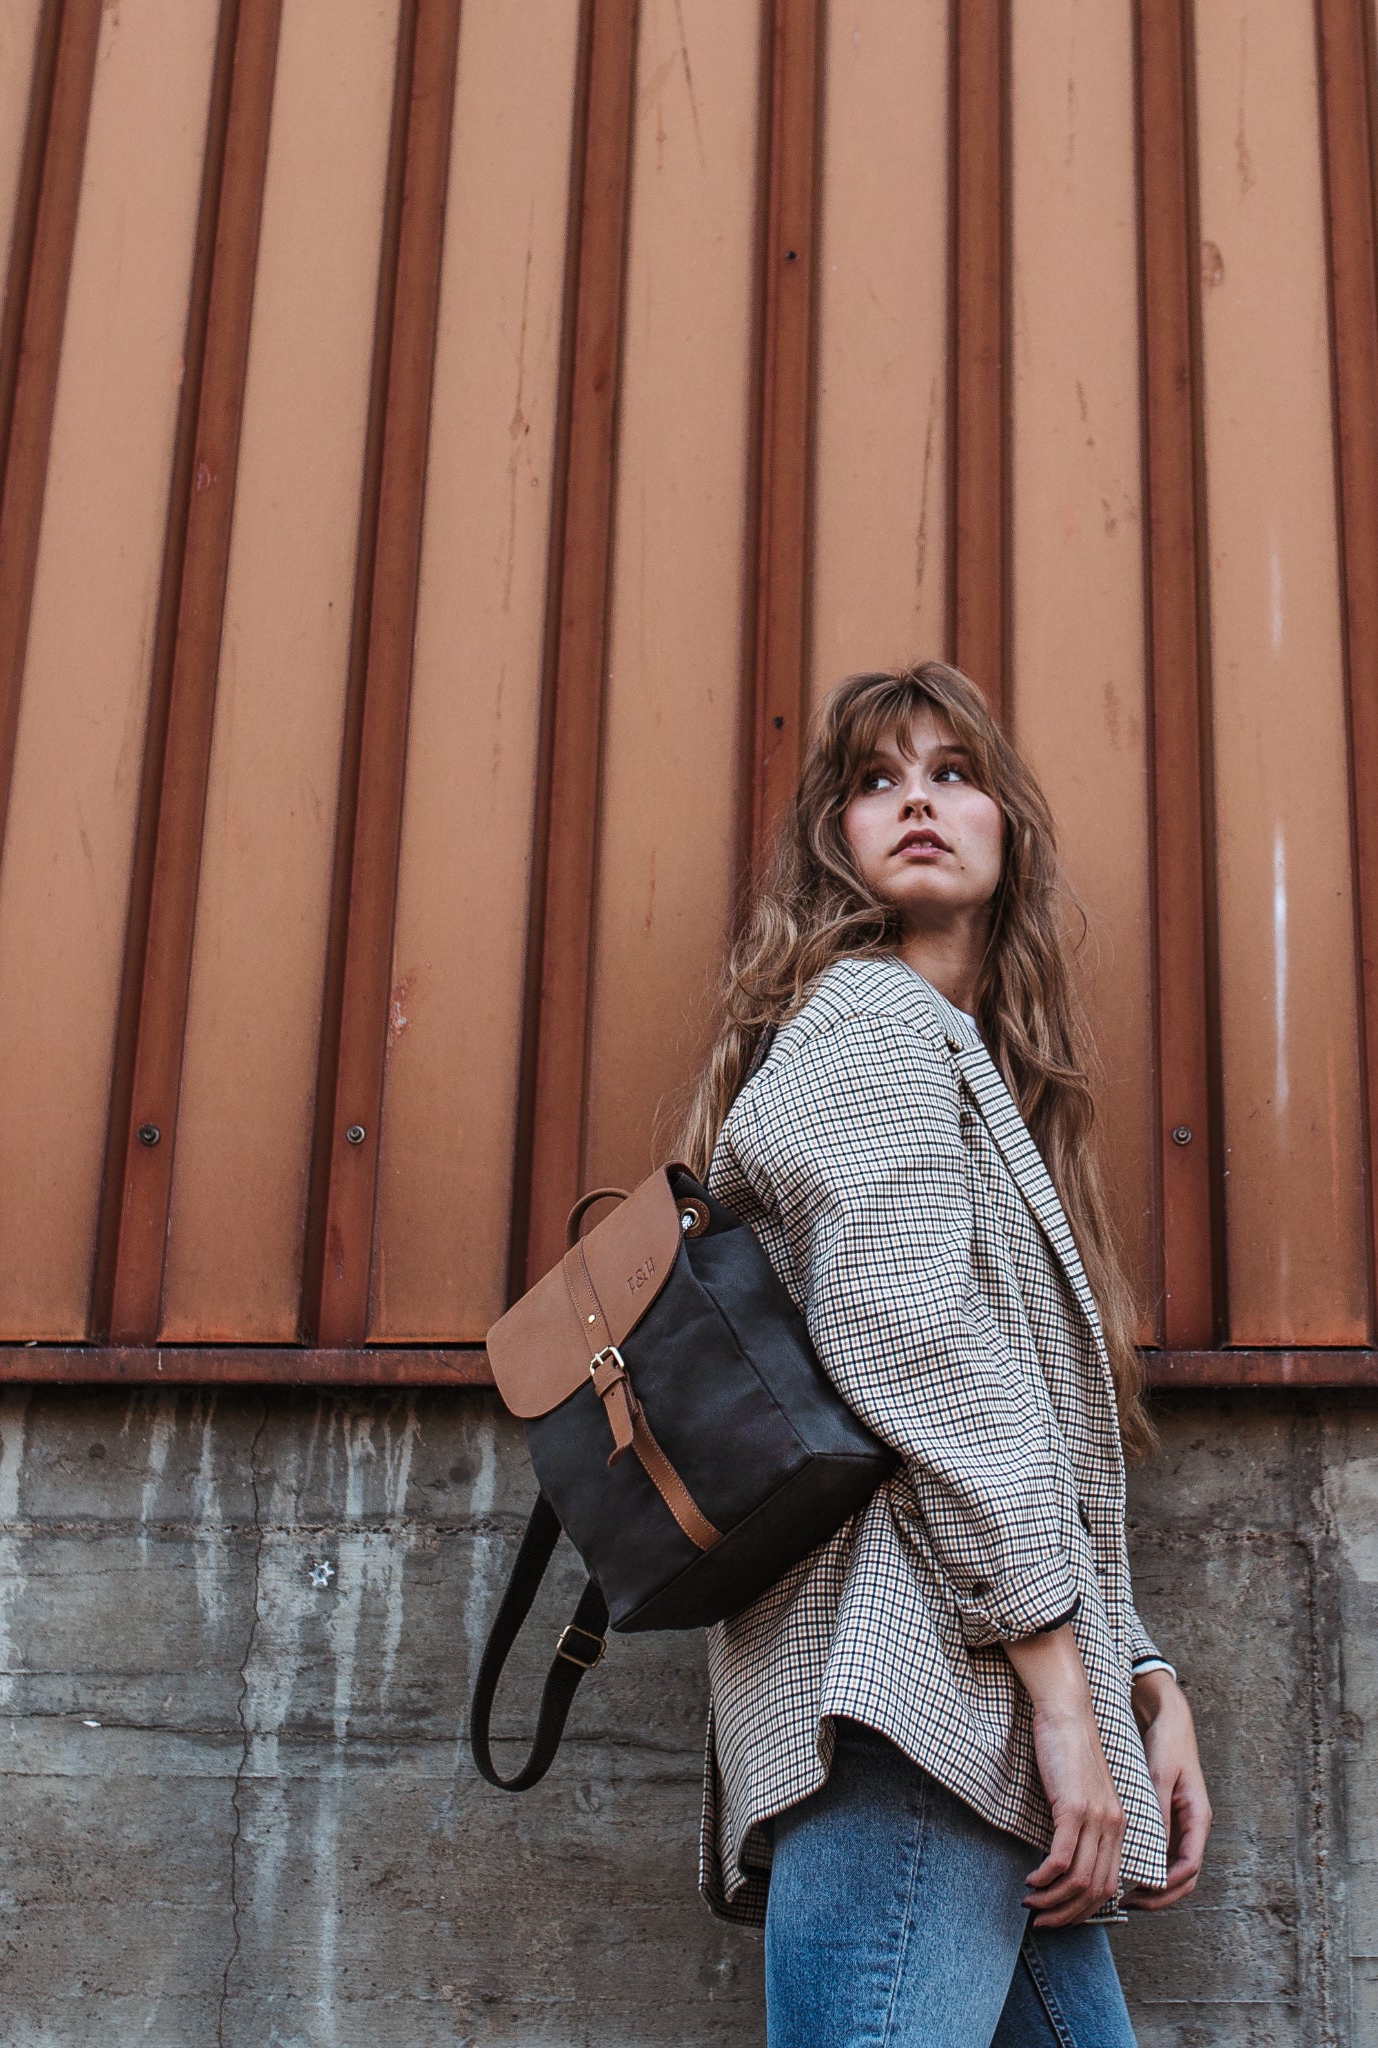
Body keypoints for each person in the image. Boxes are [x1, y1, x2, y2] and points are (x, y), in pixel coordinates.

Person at [674, 663, 1211, 2047]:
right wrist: (1070, 1708)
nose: (915, 799)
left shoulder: (957, 1065)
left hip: (968, 1697)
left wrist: (1143, 1677)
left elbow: (1014, 1421)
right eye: (875, 780)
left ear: (1007, 828)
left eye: (952, 772)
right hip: (914, 1708)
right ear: (835, 843)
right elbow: (922, 1364)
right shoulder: (868, 1030)